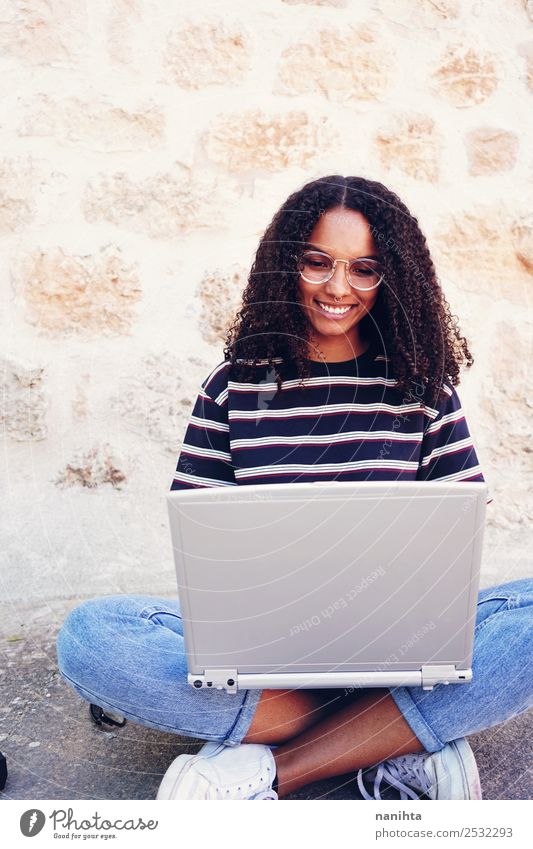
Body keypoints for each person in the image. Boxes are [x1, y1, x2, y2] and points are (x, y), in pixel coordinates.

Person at [56, 175, 533, 801]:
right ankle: (394, 742)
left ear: (392, 279)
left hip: (399, 652)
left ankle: (267, 771)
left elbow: (454, 542)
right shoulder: (232, 389)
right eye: (318, 263)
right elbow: (204, 550)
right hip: (268, 661)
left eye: (364, 269)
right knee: (90, 636)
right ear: (288, 265)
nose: (339, 289)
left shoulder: (424, 389)